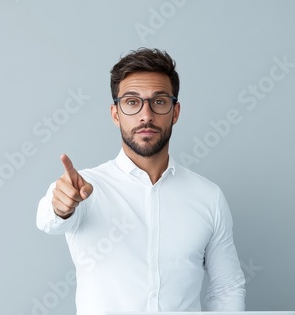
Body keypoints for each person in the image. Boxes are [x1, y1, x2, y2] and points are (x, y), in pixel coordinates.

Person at [36, 48, 246, 314]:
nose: (146, 115)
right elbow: (47, 220)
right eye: (132, 102)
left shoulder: (208, 197)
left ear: (175, 112)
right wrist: (60, 207)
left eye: (158, 102)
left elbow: (226, 287)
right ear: (115, 114)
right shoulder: (86, 189)